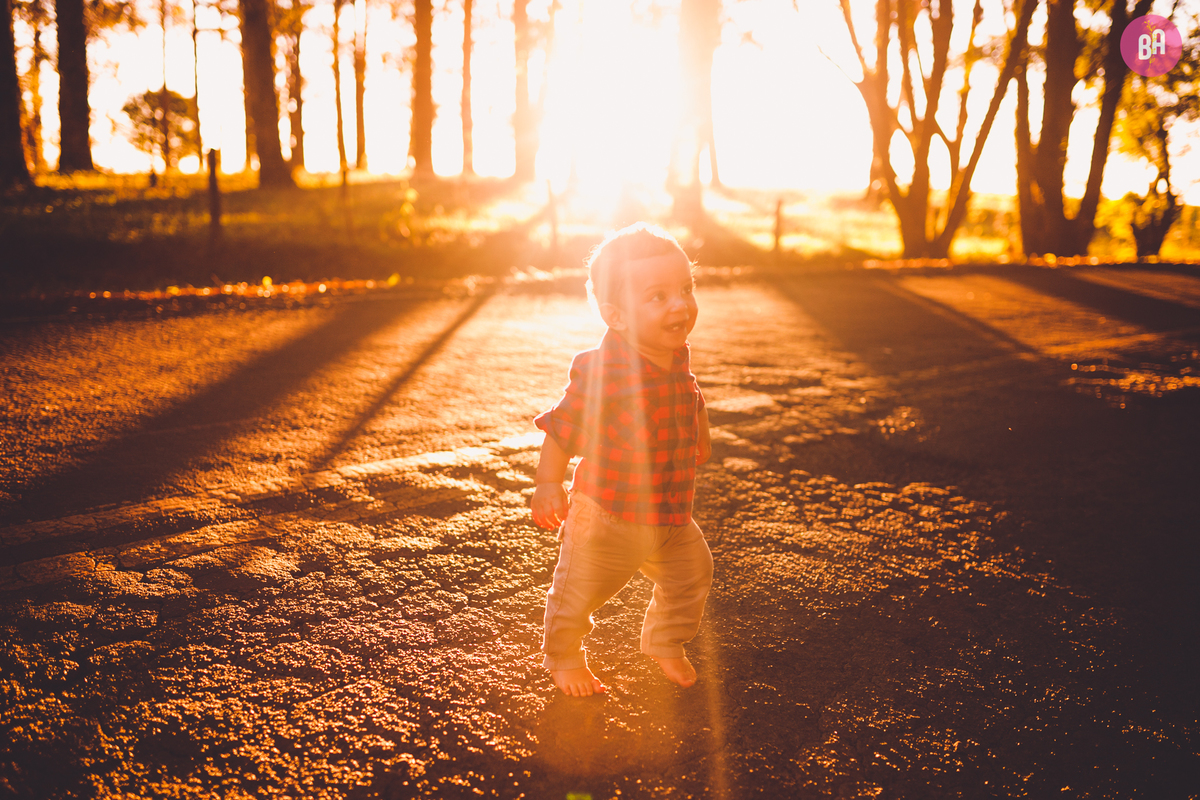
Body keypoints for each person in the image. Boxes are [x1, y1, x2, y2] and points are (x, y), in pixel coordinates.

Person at [531, 222, 713, 698]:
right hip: (608, 512)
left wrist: (701, 440)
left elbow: (692, 398)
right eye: (658, 296)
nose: (680, 304)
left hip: (669, 512)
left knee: (692, 573)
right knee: (578, 593)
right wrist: (548, 483)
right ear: (616, 316)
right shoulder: (602, 370)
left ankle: (665, 640)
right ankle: (565, 657)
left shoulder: (675, 355)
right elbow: (563, 427)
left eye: (686, 289)